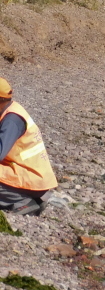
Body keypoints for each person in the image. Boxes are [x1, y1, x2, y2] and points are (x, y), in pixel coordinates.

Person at [0, 78, 58, 216]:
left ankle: (23, 202)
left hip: (30, 179)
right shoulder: (8, 111)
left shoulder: (12, 120)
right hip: (28, 176)